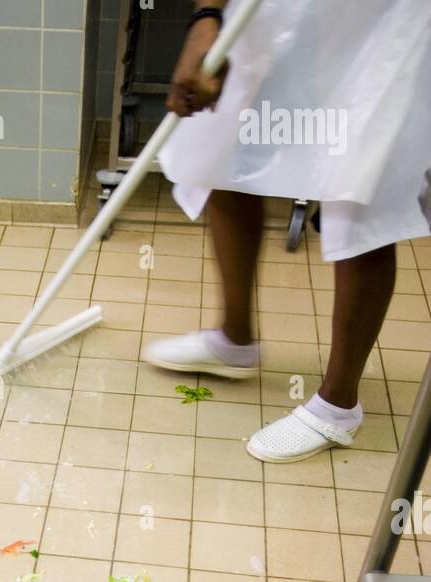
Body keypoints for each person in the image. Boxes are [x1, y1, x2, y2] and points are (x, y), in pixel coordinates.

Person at [143, 0, 431, 463]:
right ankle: (234, 340)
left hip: (384, 21)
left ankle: (338, 405)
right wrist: (206, 19)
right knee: (227, 146)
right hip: (281, 12)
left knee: (358, 187)